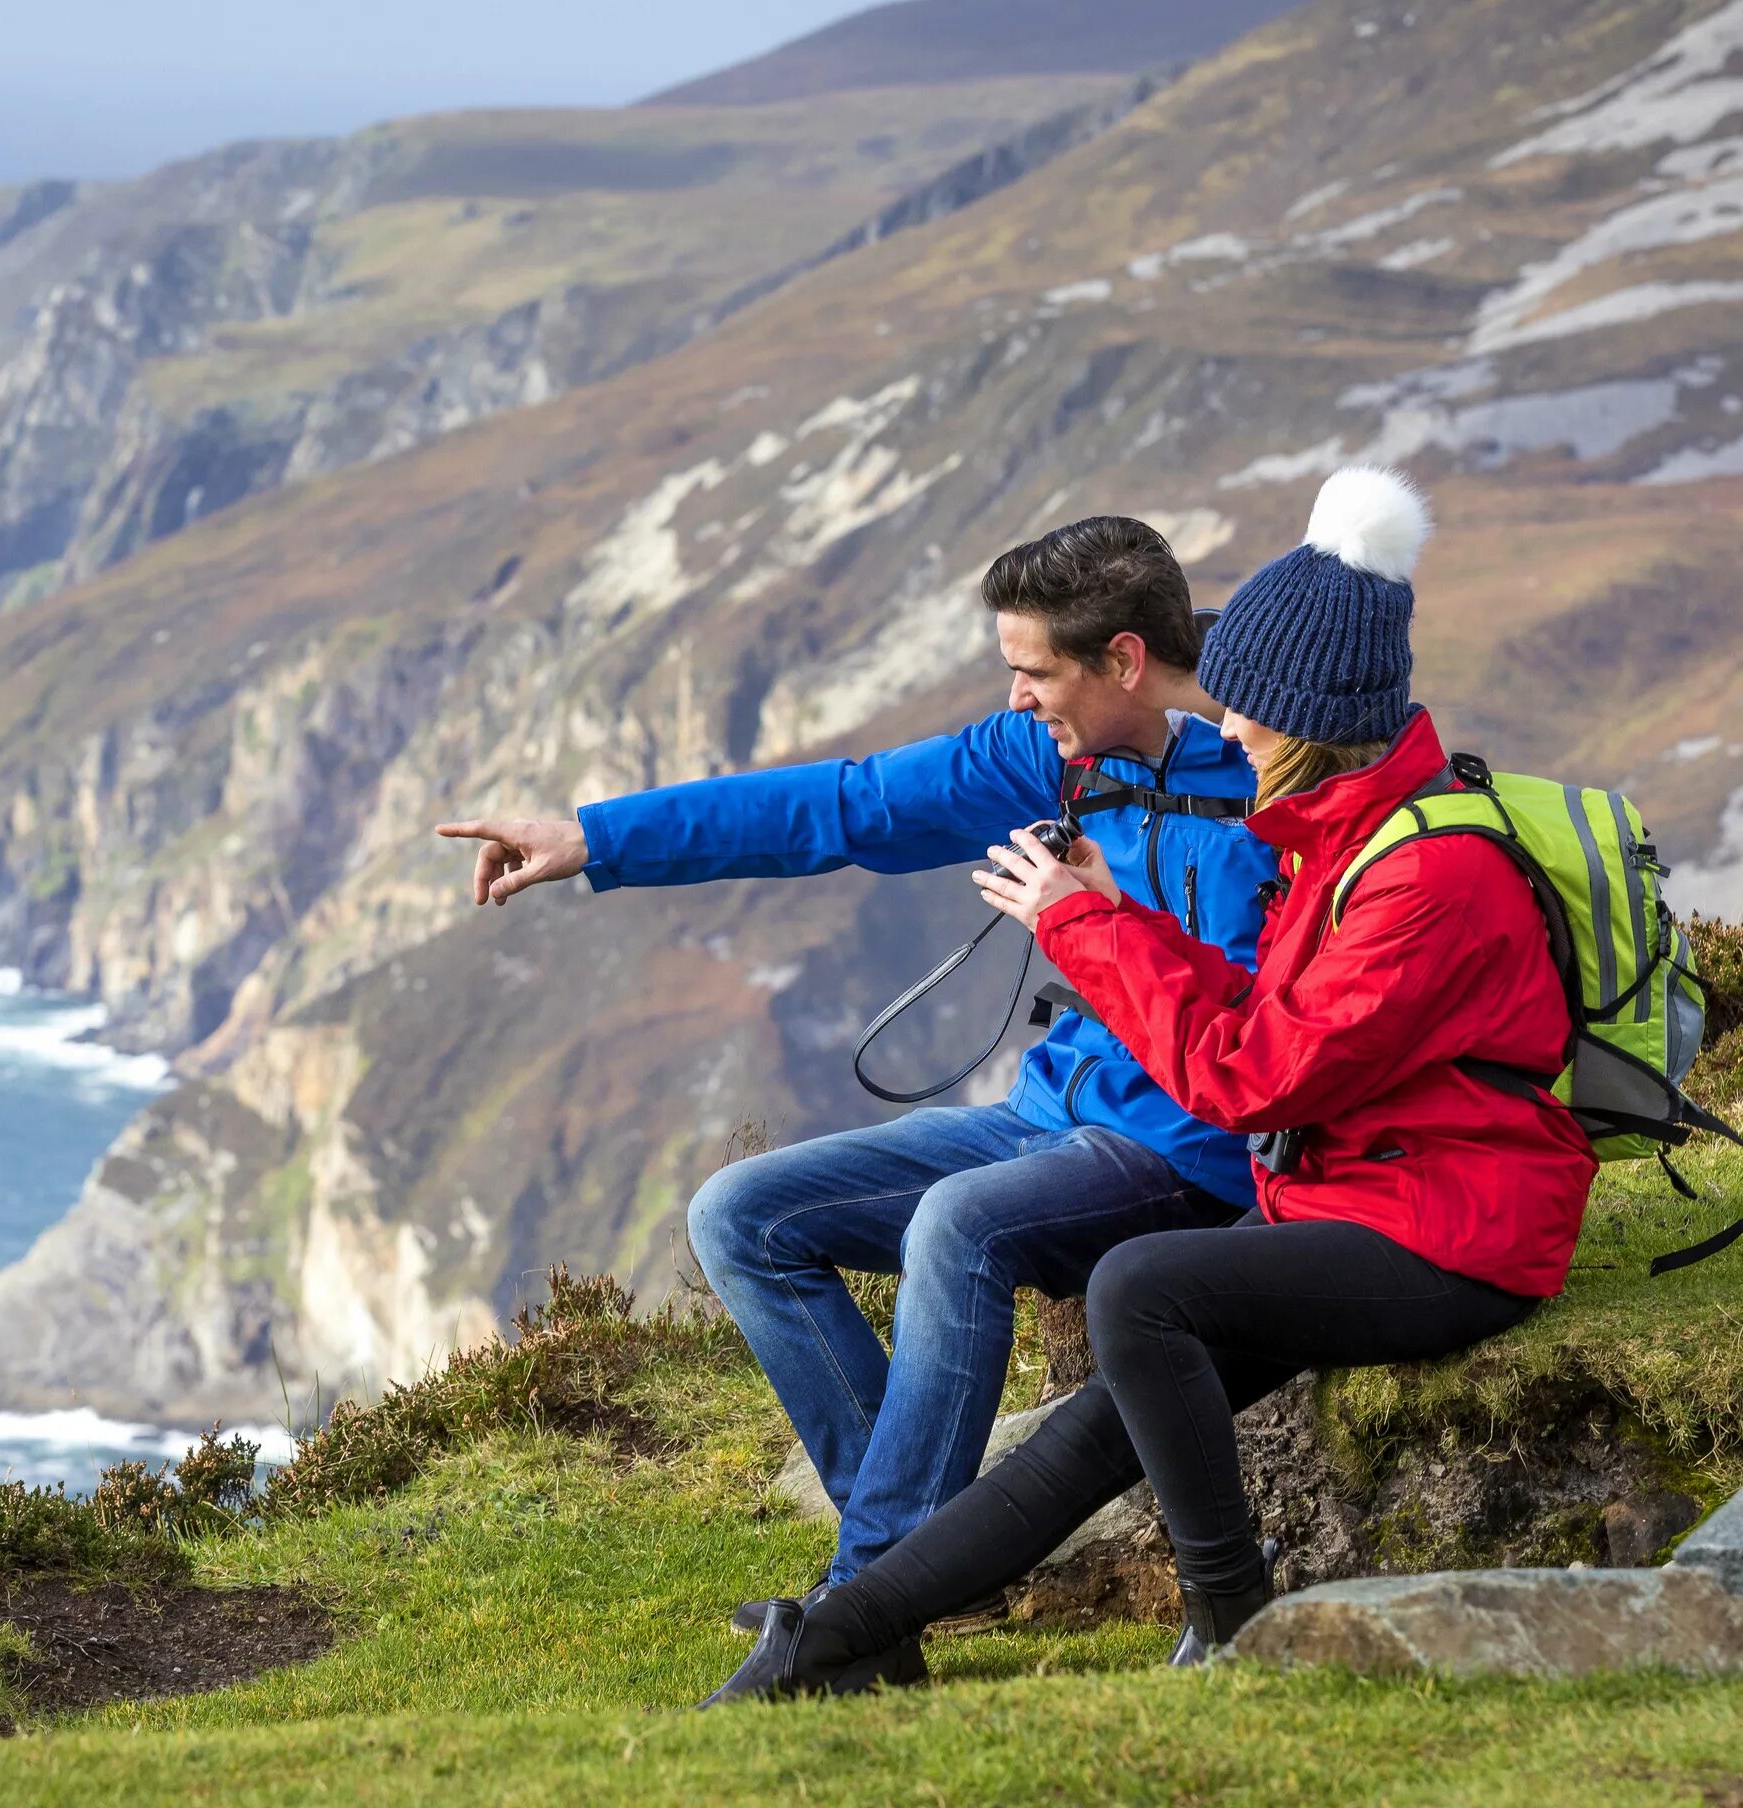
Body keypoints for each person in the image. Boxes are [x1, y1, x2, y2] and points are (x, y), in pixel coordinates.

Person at [701, 464, 1598, 1705]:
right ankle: (844, 1634)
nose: (1226, 729)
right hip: (1351, 1200)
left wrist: (1084, 927)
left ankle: (1226, 1606)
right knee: (1077, 1433)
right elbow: (1260, 1021)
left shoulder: (1424, 877)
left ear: (1307, 720)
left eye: (1250, 714)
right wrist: (1126, 915)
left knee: (1136, 1285)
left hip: (1448, 1225)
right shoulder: (1342, 838)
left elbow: (1253, 1075)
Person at [435, 517, 1279, 1640]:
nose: (1018, 697)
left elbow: (1270, 1029)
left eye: (1033, 670)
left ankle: (867, 1603)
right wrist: (593, 837)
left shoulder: (1279, 766)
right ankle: (942, 1559)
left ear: (1121, 658)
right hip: (1054, 1110)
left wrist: (1103, 919)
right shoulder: (1052, 754)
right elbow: (844, 805)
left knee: (957, 1227)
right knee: (739, 1214)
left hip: (1185, 1145)